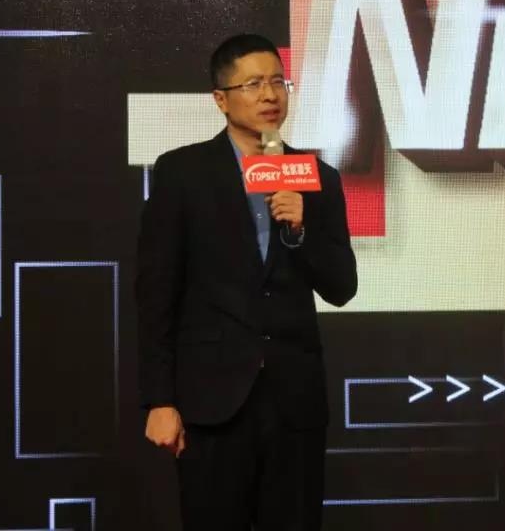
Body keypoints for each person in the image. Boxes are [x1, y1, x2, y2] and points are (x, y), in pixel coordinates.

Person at [135, 33, 358, 530]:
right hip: (212, 402)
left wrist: (301, 229)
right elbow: (155, 295)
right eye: (253, 84)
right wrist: (160, 399)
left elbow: (342, 286)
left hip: (294, 405)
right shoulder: (182, 173)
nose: (270, 95)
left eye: (278, 82)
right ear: (221, 99)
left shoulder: (317, 177)